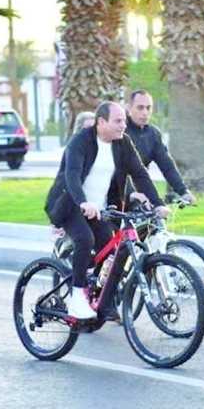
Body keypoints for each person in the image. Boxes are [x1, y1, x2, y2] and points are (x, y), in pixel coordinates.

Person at [45, 101, 168, 319]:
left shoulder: (122, 143)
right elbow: (71, 174)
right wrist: (83, 202)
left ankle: (104, 301)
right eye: (118, 121)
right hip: (71, 204)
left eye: (123, 120)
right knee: (85, 239)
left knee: (111, 249)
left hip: (100, 209)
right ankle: (76, 298)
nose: (123, 125)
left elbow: (140, 174)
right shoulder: (81, 141)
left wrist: (157, 203)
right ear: (101, 122)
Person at [125, 90, 195, 204]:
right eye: (140, 107)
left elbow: (167, 165)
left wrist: (183, 191)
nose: (145, 112)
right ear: (129, 108)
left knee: (158, 218)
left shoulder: (153, 134)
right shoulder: (120, 131)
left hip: (144, 187)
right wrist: (130, 192)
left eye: (149, 108)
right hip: (119, 191)